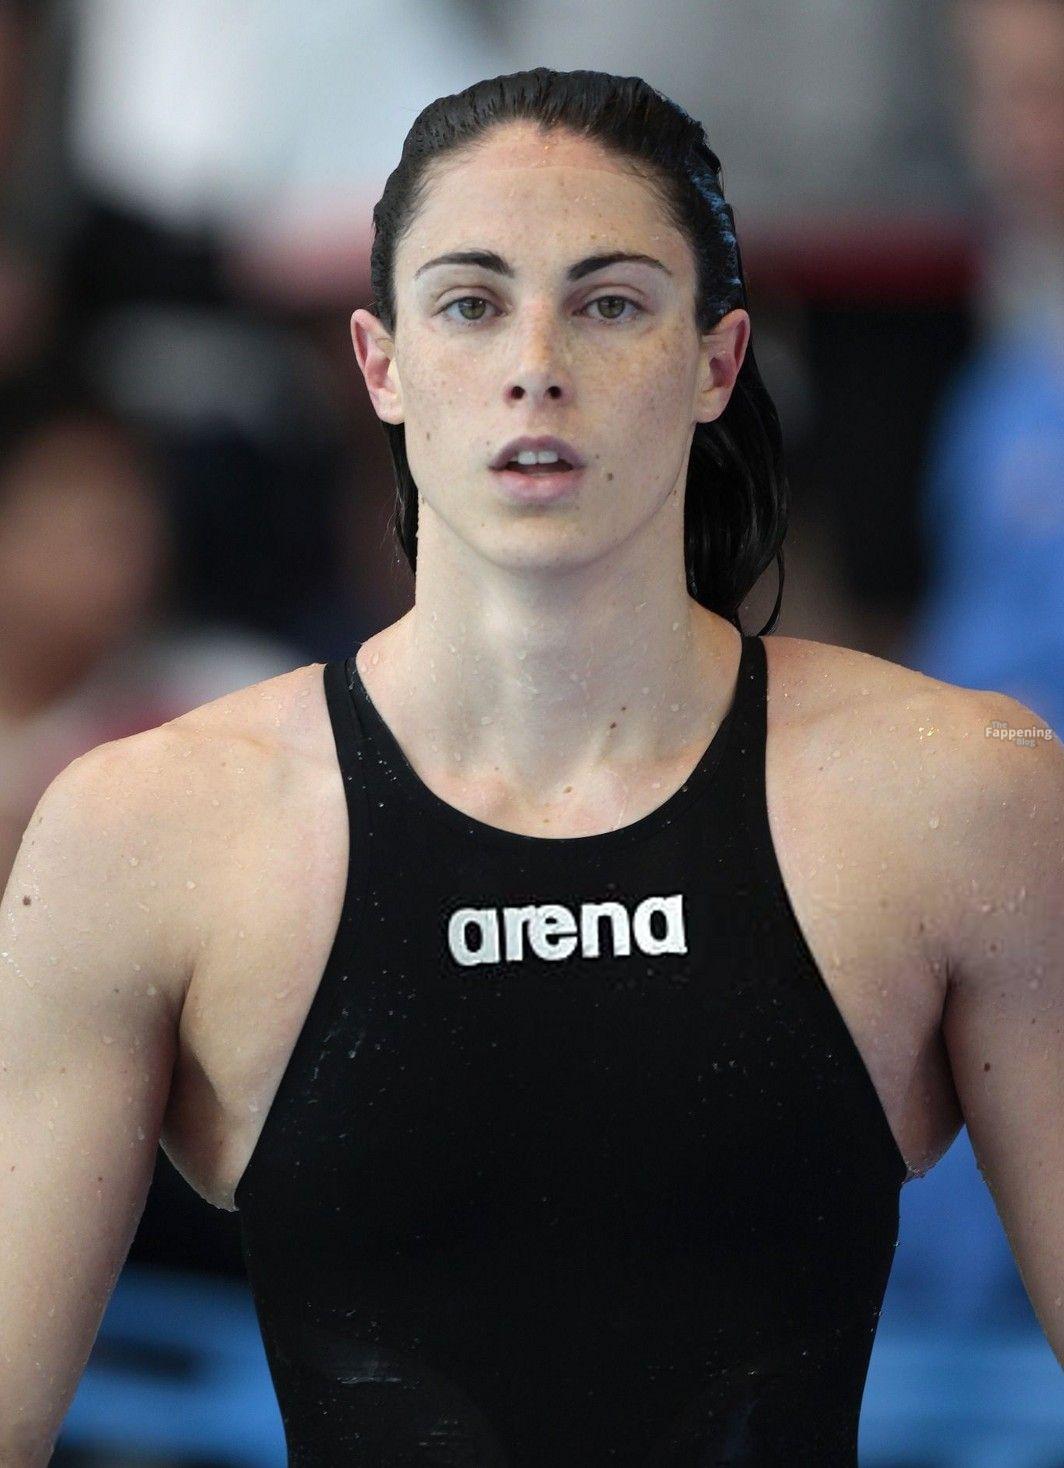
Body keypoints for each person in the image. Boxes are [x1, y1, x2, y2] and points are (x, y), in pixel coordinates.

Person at [1, 68, 1060, 1468]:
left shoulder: (956, 797)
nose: (537, 362)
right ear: (379, 363)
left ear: (717, 362)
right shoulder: (155, 832)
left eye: (610, 303)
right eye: (471, 303)